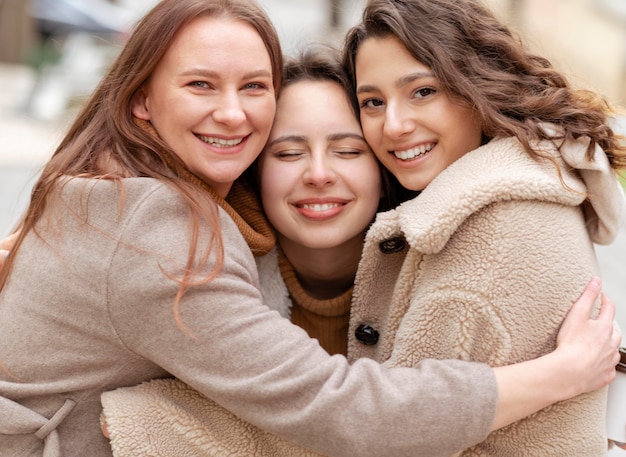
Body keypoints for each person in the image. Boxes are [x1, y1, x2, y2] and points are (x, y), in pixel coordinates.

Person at [0, 1, 619, 455]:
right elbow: (339, 411)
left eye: (253, 86)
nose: (232, 111)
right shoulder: (157, 224)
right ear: (140, 100)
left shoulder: (122, 202)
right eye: (199, 85)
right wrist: (558, 374)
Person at [339, 0, 626, 455]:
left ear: (476, 86)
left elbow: (389, 436)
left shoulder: (490, 232)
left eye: (422, 91)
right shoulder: (526, 185)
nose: (393, 125)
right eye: (372, 102)